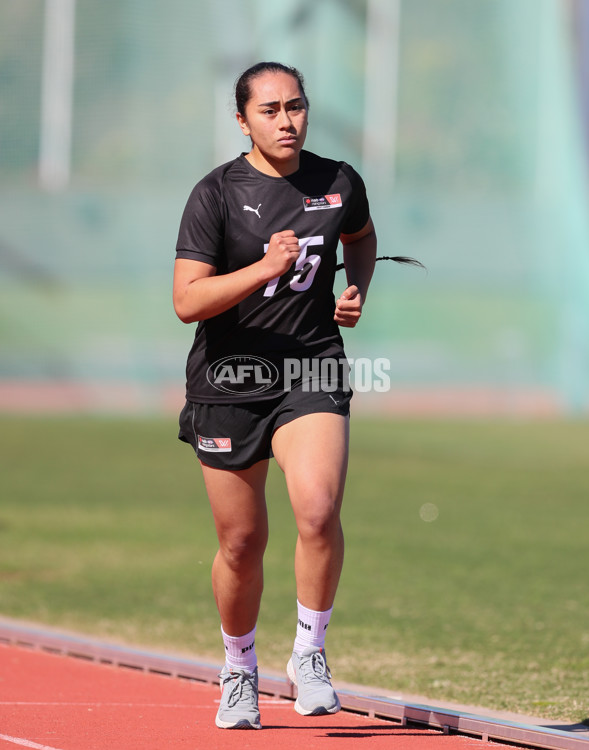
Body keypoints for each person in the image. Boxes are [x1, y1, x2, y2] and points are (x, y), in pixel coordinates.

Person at [173, 61, 377, 730]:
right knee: (241, 542)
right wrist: (263, 266)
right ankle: (238, 669)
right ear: (243, 120)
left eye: (296, 106)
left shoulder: (337, 181)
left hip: (311, 369)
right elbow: (186, 301)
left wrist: (355, 294)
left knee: (317, 511)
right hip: (229, 380)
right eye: (270, 110)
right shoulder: (216, 194)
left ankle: (310, 653)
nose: (287, 121)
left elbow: (361, 238)